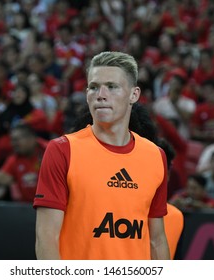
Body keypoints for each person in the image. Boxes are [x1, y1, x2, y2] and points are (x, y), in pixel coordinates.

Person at [34, 51, 170, 260]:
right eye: (94, 87)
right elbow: (46, 237)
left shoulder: (155, 156)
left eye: (112, 86)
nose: (100, 95)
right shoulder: (63, 150)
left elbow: (157, 240)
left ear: (134, 95)